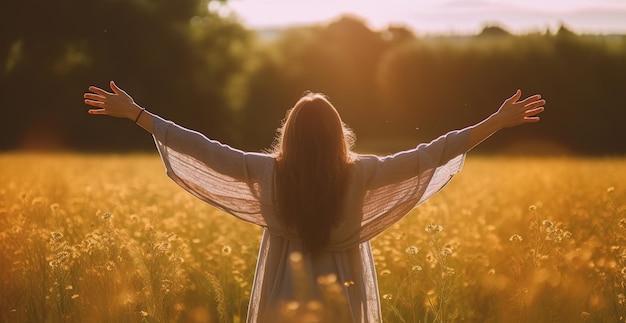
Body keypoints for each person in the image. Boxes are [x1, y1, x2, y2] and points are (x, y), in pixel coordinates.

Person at [84, 81, 545, 322]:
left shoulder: (268, 172)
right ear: (337, 135)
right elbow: (435, 151)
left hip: (282, 289)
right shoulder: (362, 173)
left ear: (290, 134)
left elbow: (201, 148)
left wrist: (139, 114)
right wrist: (495, 122)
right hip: (343, 296)